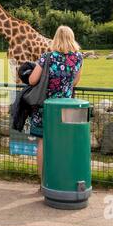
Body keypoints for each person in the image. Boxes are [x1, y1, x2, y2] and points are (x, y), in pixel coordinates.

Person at [28, 26, 83, 179]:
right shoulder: (78, 58)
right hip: (67, 107)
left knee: (42, 142)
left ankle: (44, 180)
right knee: (64, 142)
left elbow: (32, 80)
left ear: (56, 38)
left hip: (45, 107)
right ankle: (61, 179)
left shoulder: (47, 57)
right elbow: (75, 81)